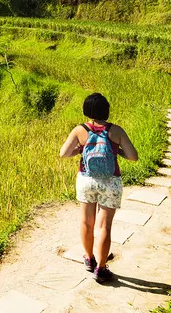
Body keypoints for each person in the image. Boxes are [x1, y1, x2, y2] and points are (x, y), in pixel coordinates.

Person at [59, 93, 138, 283]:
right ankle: (101, 269)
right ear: (107, 110)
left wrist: (81, 149)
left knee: (87, 222)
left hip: (87, 179)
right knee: (104, 226)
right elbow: (133, 156)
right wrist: (116, 149)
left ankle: (89, 259)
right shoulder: (116, 131)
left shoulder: (80, 130)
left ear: (87, 110)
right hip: (110, 182)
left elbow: (63, 153)